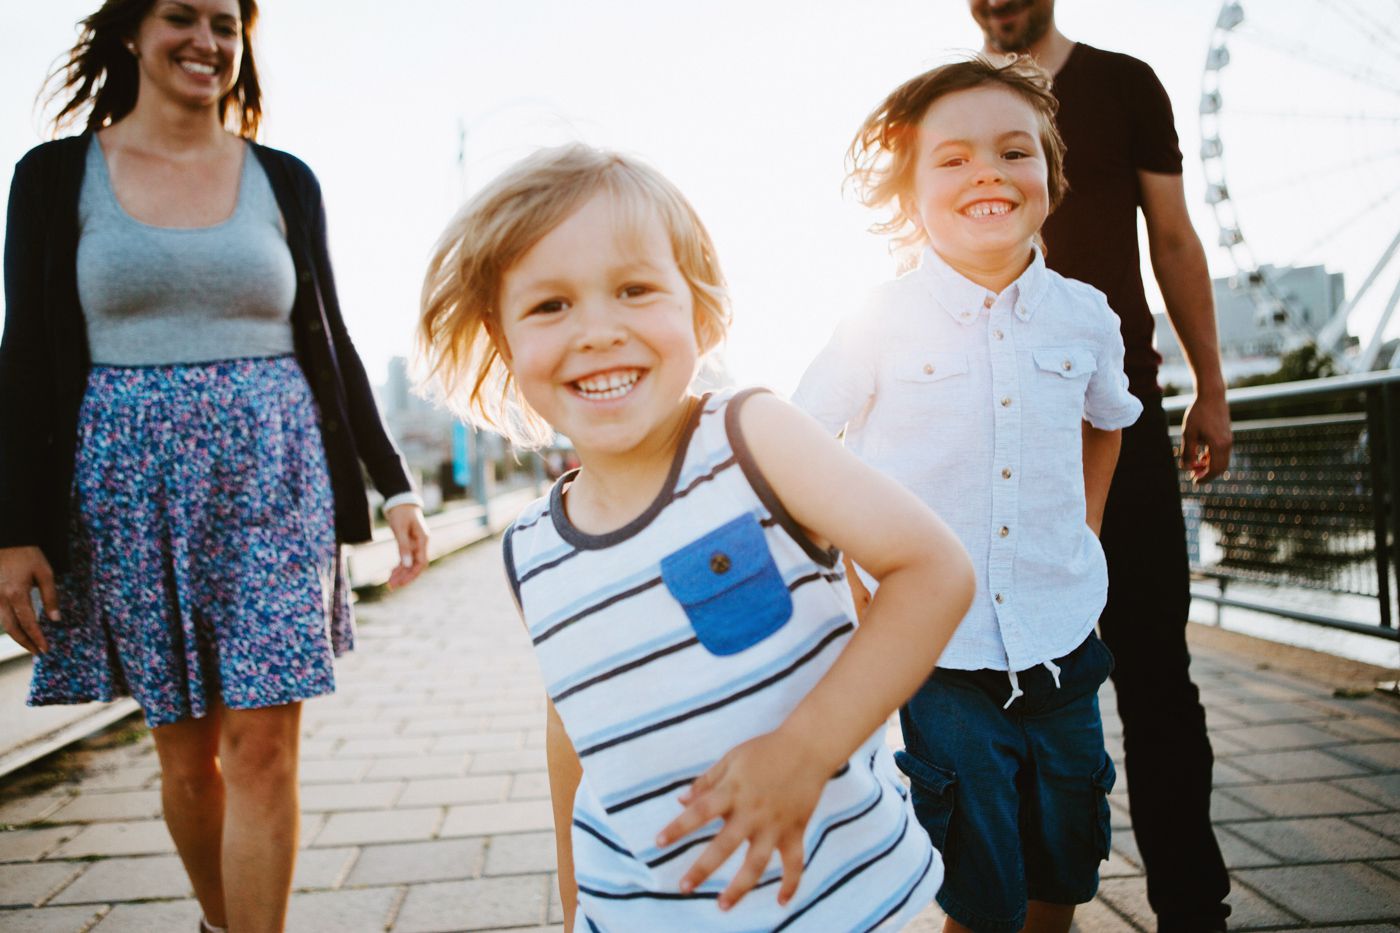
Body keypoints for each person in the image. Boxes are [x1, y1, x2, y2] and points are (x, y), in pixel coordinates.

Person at [416, 143, 975, 931]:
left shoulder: (750, 436)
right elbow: (569, 727)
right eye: (550, 305)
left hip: (826, 896)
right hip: (641, 911)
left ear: (697, 308)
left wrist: (804, 751)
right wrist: (576, 905)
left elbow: (934, 570)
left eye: (634, 289)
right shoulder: (529, 549)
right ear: (503, 339)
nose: (598, 330)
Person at [0, 1, 429, 930]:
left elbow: (331, 341)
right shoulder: (52, 179)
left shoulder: (283, 180)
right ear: (131, 32)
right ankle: (222, 922)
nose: (207, 40)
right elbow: (24, 352)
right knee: (188, 758)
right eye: (180, 17)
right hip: (127, 490)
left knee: (265, 746)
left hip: (277, 478)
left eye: (226, 24)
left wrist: (393, 483)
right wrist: (12, 530)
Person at [794, 56, 1144, 932]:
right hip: (936, 652)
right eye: (950, 158)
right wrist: (855, 581)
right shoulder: (875, 322)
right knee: (977, 871)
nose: (986, 171)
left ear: (1049, 179)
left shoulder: (1086, 316)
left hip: (1062, 636)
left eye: (1013, 151)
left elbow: (1110, 418)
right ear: (909, 192)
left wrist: (1089, 527)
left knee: (1065, 856)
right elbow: (800, 451)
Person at [968, 2, 1235, 928]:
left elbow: (1172, 238)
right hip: (994, 433)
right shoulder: (961, 101)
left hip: (1116, 415)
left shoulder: (1124, 83)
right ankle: (1028, 902)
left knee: (1157, 671)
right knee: (1008, 684)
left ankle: (1192, 904)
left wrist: (1212, 384)